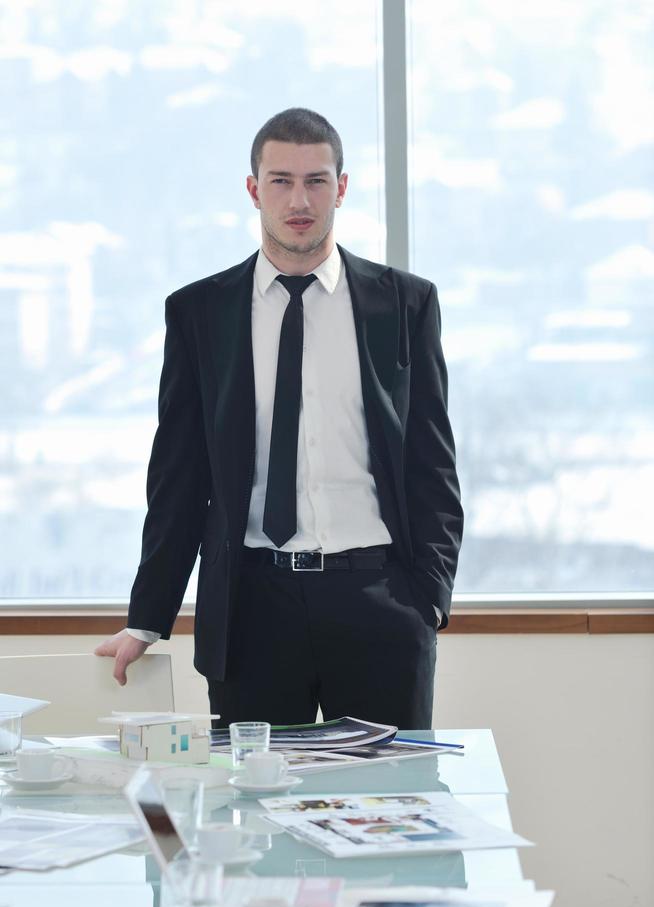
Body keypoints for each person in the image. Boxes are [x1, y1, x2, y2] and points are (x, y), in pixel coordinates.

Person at [95, 107, 463, 729]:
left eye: (317, 180)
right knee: (251, 815)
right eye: (281, 180)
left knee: (388, 813)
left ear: (342, 188)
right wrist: (147, 616)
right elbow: (179, 477)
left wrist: (426, 598)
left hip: (377, 597)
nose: (300, 200)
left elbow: (432, 462)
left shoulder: (404, 303)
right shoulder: (199, 312)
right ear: (253, 189)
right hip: (251, 604)